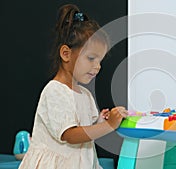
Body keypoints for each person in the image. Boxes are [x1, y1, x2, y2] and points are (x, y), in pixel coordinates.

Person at [18, 4, 127, 169]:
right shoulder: (55, 91)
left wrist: (100, 121)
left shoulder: (85, 94)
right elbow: (70, 135)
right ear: (66, 54)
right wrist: (109, 125)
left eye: (100, 61)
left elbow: (86, 132)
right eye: (91, 58)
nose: (97, 67)